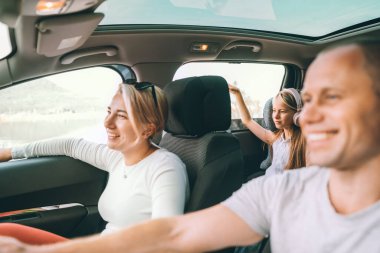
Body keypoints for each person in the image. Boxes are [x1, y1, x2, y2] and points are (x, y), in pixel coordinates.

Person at [1, 40, 380, 253]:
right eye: (309, 100)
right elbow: (174, 234)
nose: (305, 117)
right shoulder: (279, 192)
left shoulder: (166, 167)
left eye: (333, 97)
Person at [0, 81, 189, 244]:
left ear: (148, 129)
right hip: (100, 246)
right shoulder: (117, 157)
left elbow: (166, 238)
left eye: (121, 116)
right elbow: (70, 145)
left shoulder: (165, 168)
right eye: (109, 111)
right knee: (6, 234)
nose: (107, 122)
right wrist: (9, 152)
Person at [229, 84, 306, 176]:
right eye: (274, 110)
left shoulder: (305, 144)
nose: (275, 116)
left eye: (282, 111)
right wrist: (237, 94)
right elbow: (247, 121)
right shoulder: (276, 138)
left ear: (298, 115)